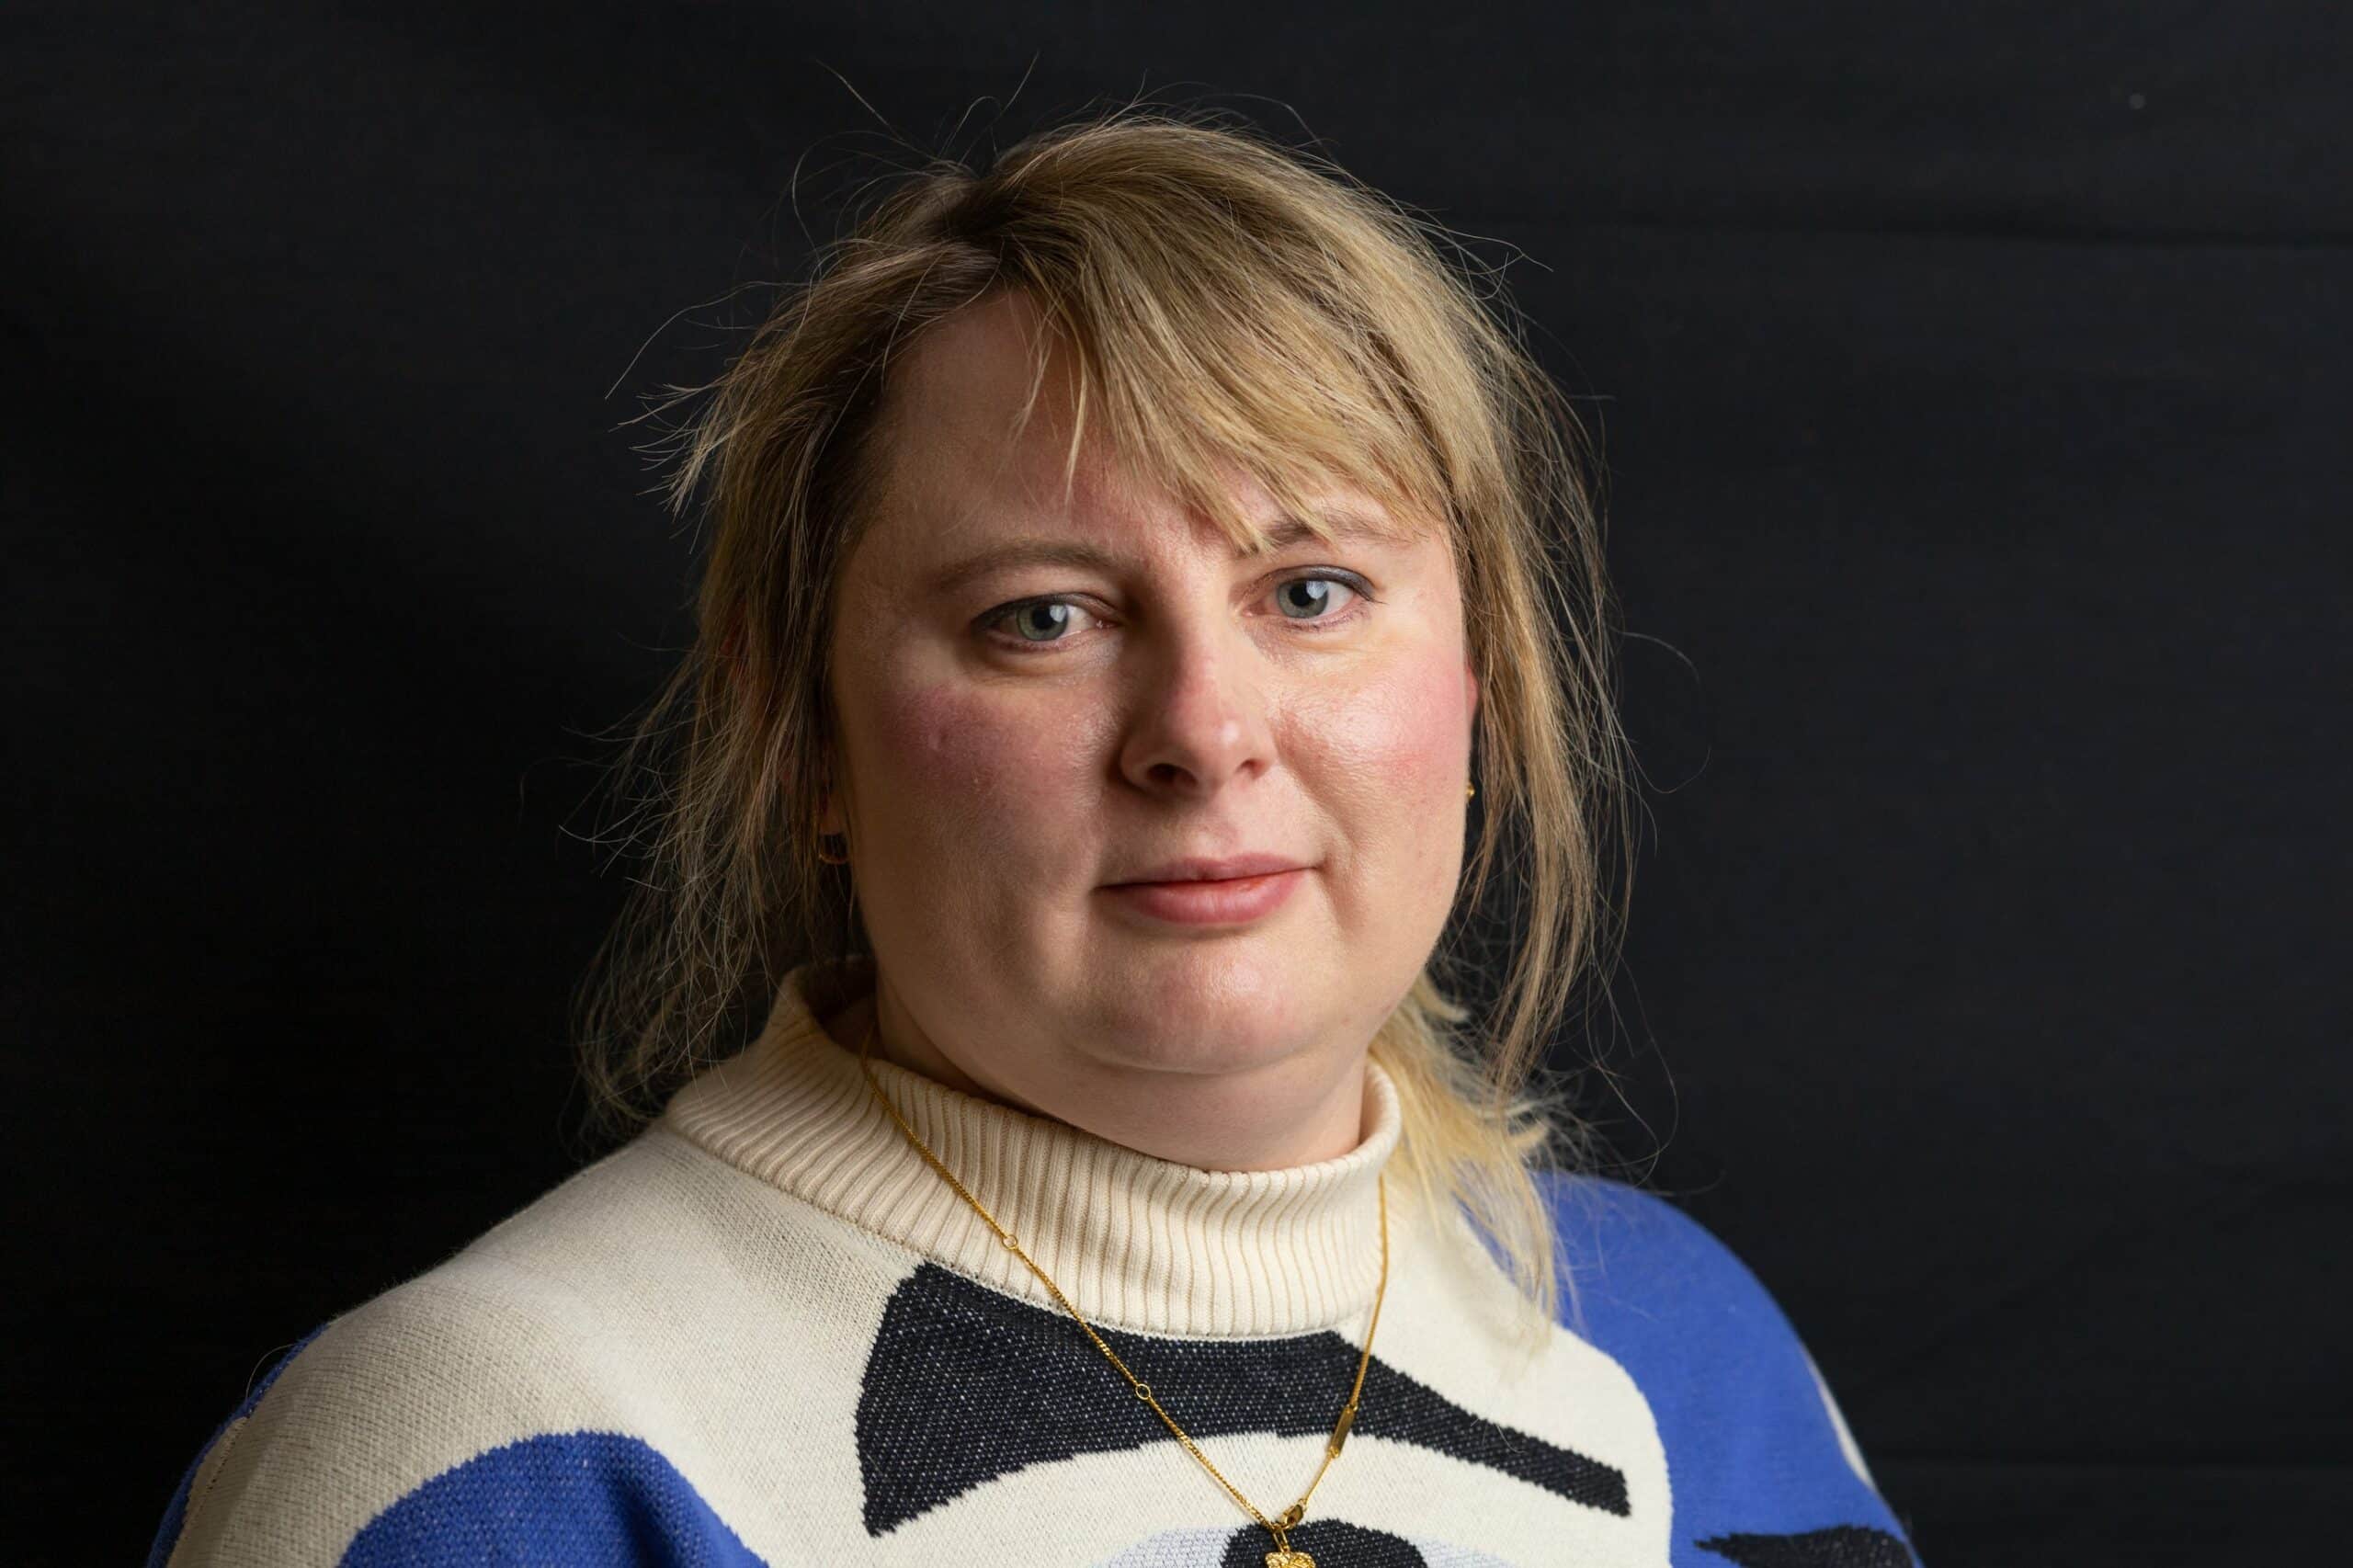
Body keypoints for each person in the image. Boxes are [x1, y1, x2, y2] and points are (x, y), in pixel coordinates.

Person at [146, 108, 1921, 1567]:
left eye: (1311, 589)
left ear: (1478, 683)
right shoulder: (505, 1455)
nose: (1203, 731)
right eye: (1042, 617)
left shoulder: (1691, 1365)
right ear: (806, 736)